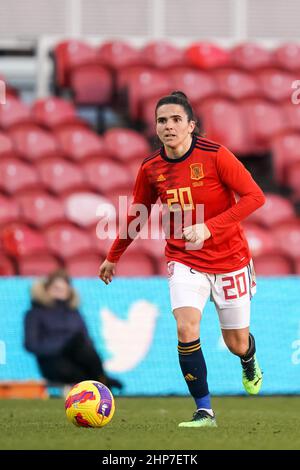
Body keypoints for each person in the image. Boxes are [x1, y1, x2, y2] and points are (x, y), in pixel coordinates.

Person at [98, 91, 265, 427]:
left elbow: (254, 197)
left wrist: (209, 228)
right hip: (184, 260)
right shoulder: (151, 168)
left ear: (191, 125)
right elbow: (138, 215)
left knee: (236, 343)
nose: (169, 126)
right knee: (186, 327)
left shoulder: (216, 156)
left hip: (230, 259)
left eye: (176, 119)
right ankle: (205, 410)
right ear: (156, 128)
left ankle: (248, 358)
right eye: (162, 120)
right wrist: (113, 256)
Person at [24, 269, 123, 391]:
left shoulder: (74, 313)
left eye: (63, 289)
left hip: (77, 358)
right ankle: (102, 382)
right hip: (52, 362)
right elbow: (31, 345)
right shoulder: (35, 314)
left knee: (81, 345)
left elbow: (86, 341)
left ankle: (101, 379)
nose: (60, 292)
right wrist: (63, 345)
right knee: (73, 366)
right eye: (56, 288)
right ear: (47, 289)